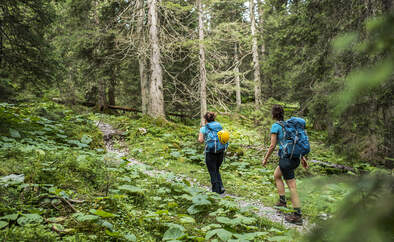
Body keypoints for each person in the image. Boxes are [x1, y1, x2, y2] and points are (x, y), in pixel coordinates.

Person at [262, 104, 308, 225]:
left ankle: (297, 215)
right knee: (277, 175)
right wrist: (303, 158)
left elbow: (272, 145)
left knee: (292, 187)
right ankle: (282, 201)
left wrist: (265, 158)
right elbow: (294, 142)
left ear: (273, 115)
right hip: (294, 158)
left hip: (286, 159)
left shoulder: (276, 126)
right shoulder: (288, 125)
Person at [198, 112, 225, 194]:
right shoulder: (219, 126)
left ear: (205, 119)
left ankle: (216, 191)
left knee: (212, 171)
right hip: (220, 151)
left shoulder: (204, 128)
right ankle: (221, 186)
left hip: (210, 152)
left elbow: (200, 140)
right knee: (216, 169)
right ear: (214, 119)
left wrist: (202, 133)